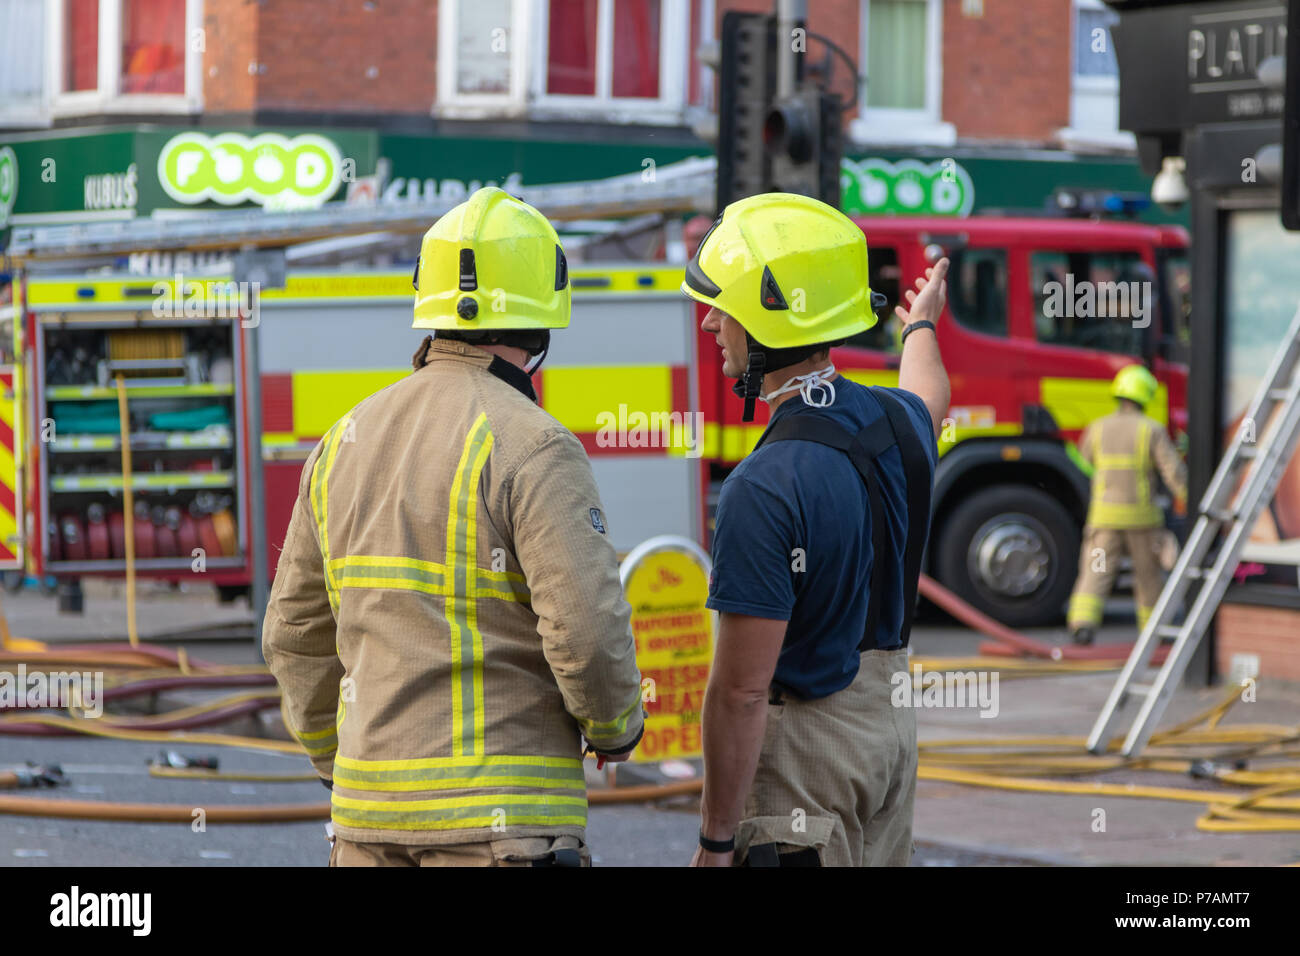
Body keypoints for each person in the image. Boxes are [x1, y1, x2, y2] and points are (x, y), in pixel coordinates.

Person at [263, 187, 644, 867]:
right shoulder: (535, 443)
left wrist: (337, 757)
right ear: (541, 319)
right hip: (499, 827)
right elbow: (585, 629)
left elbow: (293, 635)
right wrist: (615, 728)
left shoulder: (343, 439)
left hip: (366, 819)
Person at [680, 192, 950, 867]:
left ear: (770, 323)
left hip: (807, 750)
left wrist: (715, 842)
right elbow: (929, 397)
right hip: (889, 736)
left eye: (727, 307)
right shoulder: (897, 424)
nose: (711, 321)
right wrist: (920, 326)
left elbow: (741, 692)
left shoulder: (763, 486)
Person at [1067, 364, 1187, 645]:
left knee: (1095, 572)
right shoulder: (1152, 430)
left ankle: (1082, 625)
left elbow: (1083, 465)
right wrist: (1191, 497)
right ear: (1145, 396)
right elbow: (1173, 472)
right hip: (1141, 520)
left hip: (1104, 519)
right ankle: (1153, 632)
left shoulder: (1097, 428)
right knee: (1147, 577)